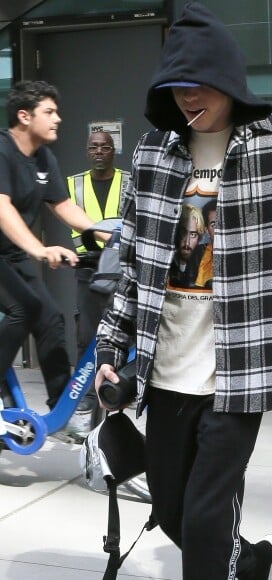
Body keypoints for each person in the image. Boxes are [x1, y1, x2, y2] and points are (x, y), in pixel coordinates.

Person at [94, 3, 272, 580]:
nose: (187, 97)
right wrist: (110, 349)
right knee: (172, 508)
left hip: (238, 369)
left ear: (229, 79)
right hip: (165, 368)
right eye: (176, 86)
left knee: (206, 518)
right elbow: (132, 262)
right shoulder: (154, 151)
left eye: (199, 84)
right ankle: (254, 561)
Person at [0, 80, 102, 411]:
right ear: (24, 116)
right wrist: (39, 249)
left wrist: (108, 233)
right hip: (8, 253)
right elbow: (2, 207)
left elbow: (63, 206)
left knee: (51, 317)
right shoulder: (1, 150)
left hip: (10, 255)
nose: (57, 118)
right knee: (23, 309)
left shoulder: (44, 158)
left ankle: (63, 406)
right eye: (49, 111)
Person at [67, 130, 130, 414]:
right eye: (94, 147)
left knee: (124, 332)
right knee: (87, 335)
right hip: (88, 267)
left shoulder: (129, 181)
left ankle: (122, 390)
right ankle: (86, 398)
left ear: (113, 150)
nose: (99, 152)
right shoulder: (73, 184)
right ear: (87, 151)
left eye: (105, 147)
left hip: (121, 266)